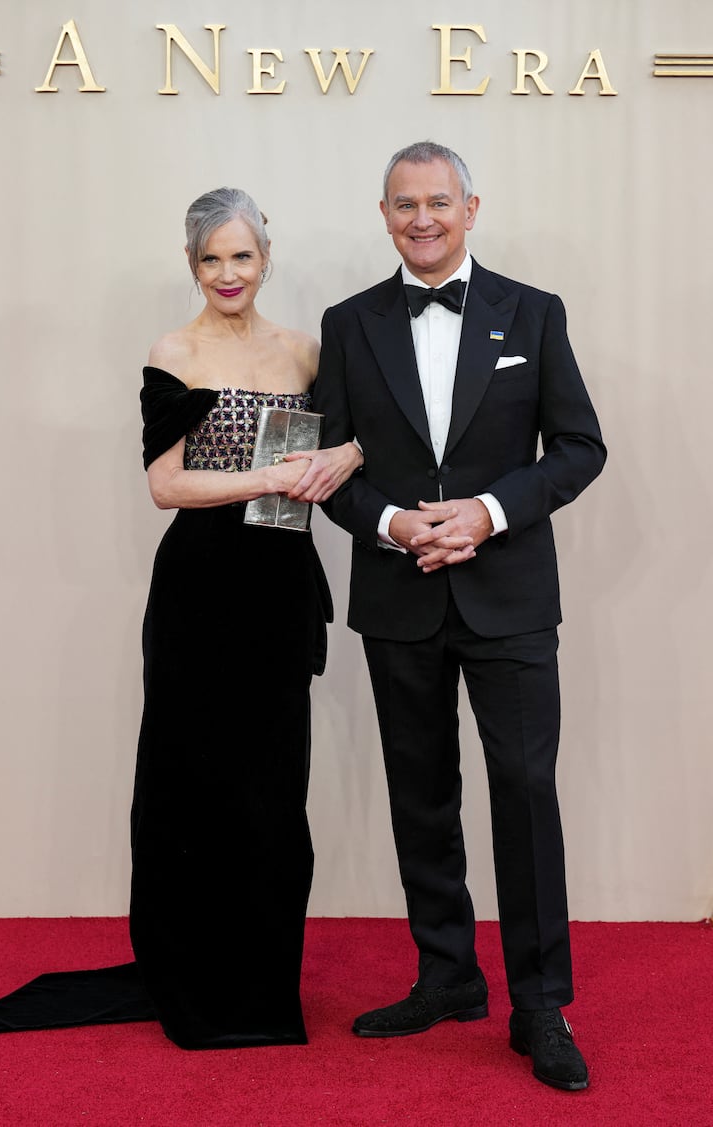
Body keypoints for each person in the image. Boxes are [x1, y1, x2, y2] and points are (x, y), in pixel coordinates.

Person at [0, 187, 361, 1050]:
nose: (227, 273)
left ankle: (262, 992)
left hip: (281, 589)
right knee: (195, 788)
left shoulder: (305, 351)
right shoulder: (174, 350)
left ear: (265, 257)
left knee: (273, 795)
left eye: (240, 256)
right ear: (191, 265)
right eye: (210, 258)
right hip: (200, 592)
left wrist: (347, 451)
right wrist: (272, 477)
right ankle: (197, 982)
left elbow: (347, 447)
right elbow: (166, 484)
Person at [308, 141, 606, 1090]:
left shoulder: (534, 311)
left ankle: (539, 1004)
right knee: (420, 794)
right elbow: (327, 464)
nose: (422, 218)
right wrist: (396, 523)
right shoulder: (348, 324)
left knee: (523, 795)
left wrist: (486, 512)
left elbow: (576, 447)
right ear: (384, 213)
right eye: (404, 204)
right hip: (398, 594)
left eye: (439, 201)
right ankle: (446, 974)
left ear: (471, 208)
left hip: (510, 595)